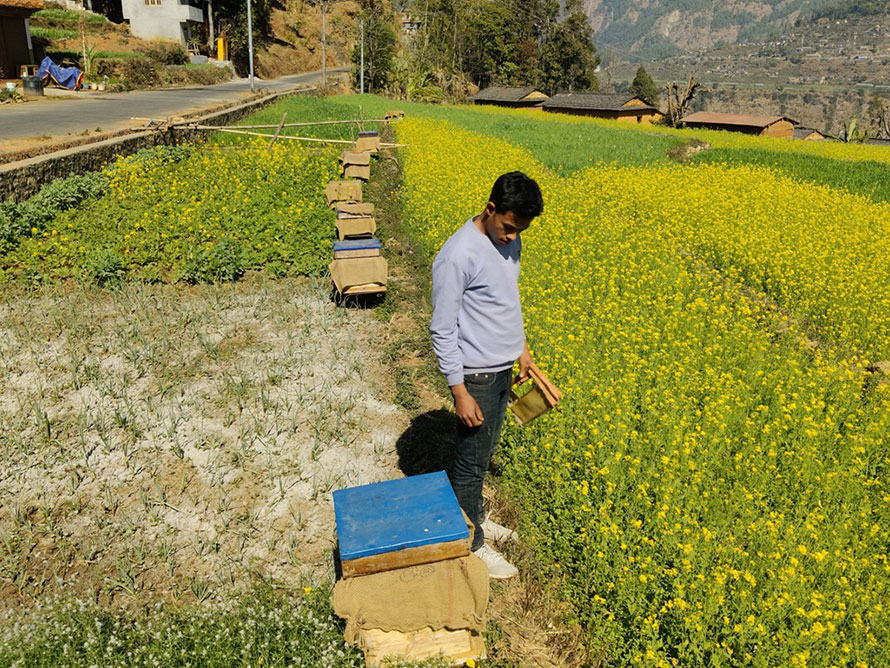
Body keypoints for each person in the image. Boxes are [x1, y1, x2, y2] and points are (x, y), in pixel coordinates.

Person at [429, 171, 544, 579]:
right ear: (490, 208)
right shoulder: (458, 255)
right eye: (509, 227)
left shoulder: (507, 241)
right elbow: (442, 329)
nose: (512, 237)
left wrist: (522, 350)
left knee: (485, 451)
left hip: (502, 370)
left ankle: (475, 515)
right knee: (470, 464)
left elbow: (505, 300)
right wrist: (459, 391)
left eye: (520, 230)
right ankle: (472, 544)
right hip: (475, 375)